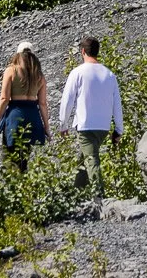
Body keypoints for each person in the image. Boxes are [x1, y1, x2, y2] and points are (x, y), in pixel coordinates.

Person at [58, 35, 122, 196]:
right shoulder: (109, 75)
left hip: (85, 125)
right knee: (84, 158)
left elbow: (67, 100)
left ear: (82, 51)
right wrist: (118, 129)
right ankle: (76, 194)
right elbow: (117, 104)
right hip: (103, 126)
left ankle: (99, 196)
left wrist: (63, 124)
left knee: (91, 159)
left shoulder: (78, 73)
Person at [0, 41, 49, 173]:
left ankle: (14, 182)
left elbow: (4, 98)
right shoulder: (39, 75)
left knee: (10, 158)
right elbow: (42, 103)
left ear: (18, 54)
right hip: (33, 117)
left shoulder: (11, 71)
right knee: (24, 158)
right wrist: (46, 127)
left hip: (15, 116)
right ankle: (25, 181)